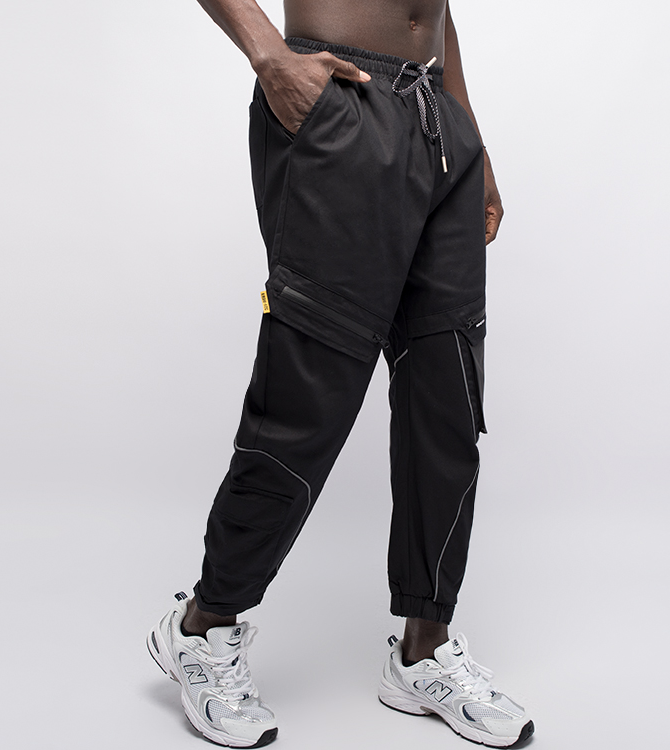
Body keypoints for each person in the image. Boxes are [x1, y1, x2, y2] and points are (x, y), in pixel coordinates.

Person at [146, 1, 533, 747]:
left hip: (438, 121)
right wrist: (269, 55)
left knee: (447, 397)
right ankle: (203, 627)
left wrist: (470, 136)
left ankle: (423, 651)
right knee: (308, 395)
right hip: (342, 103)